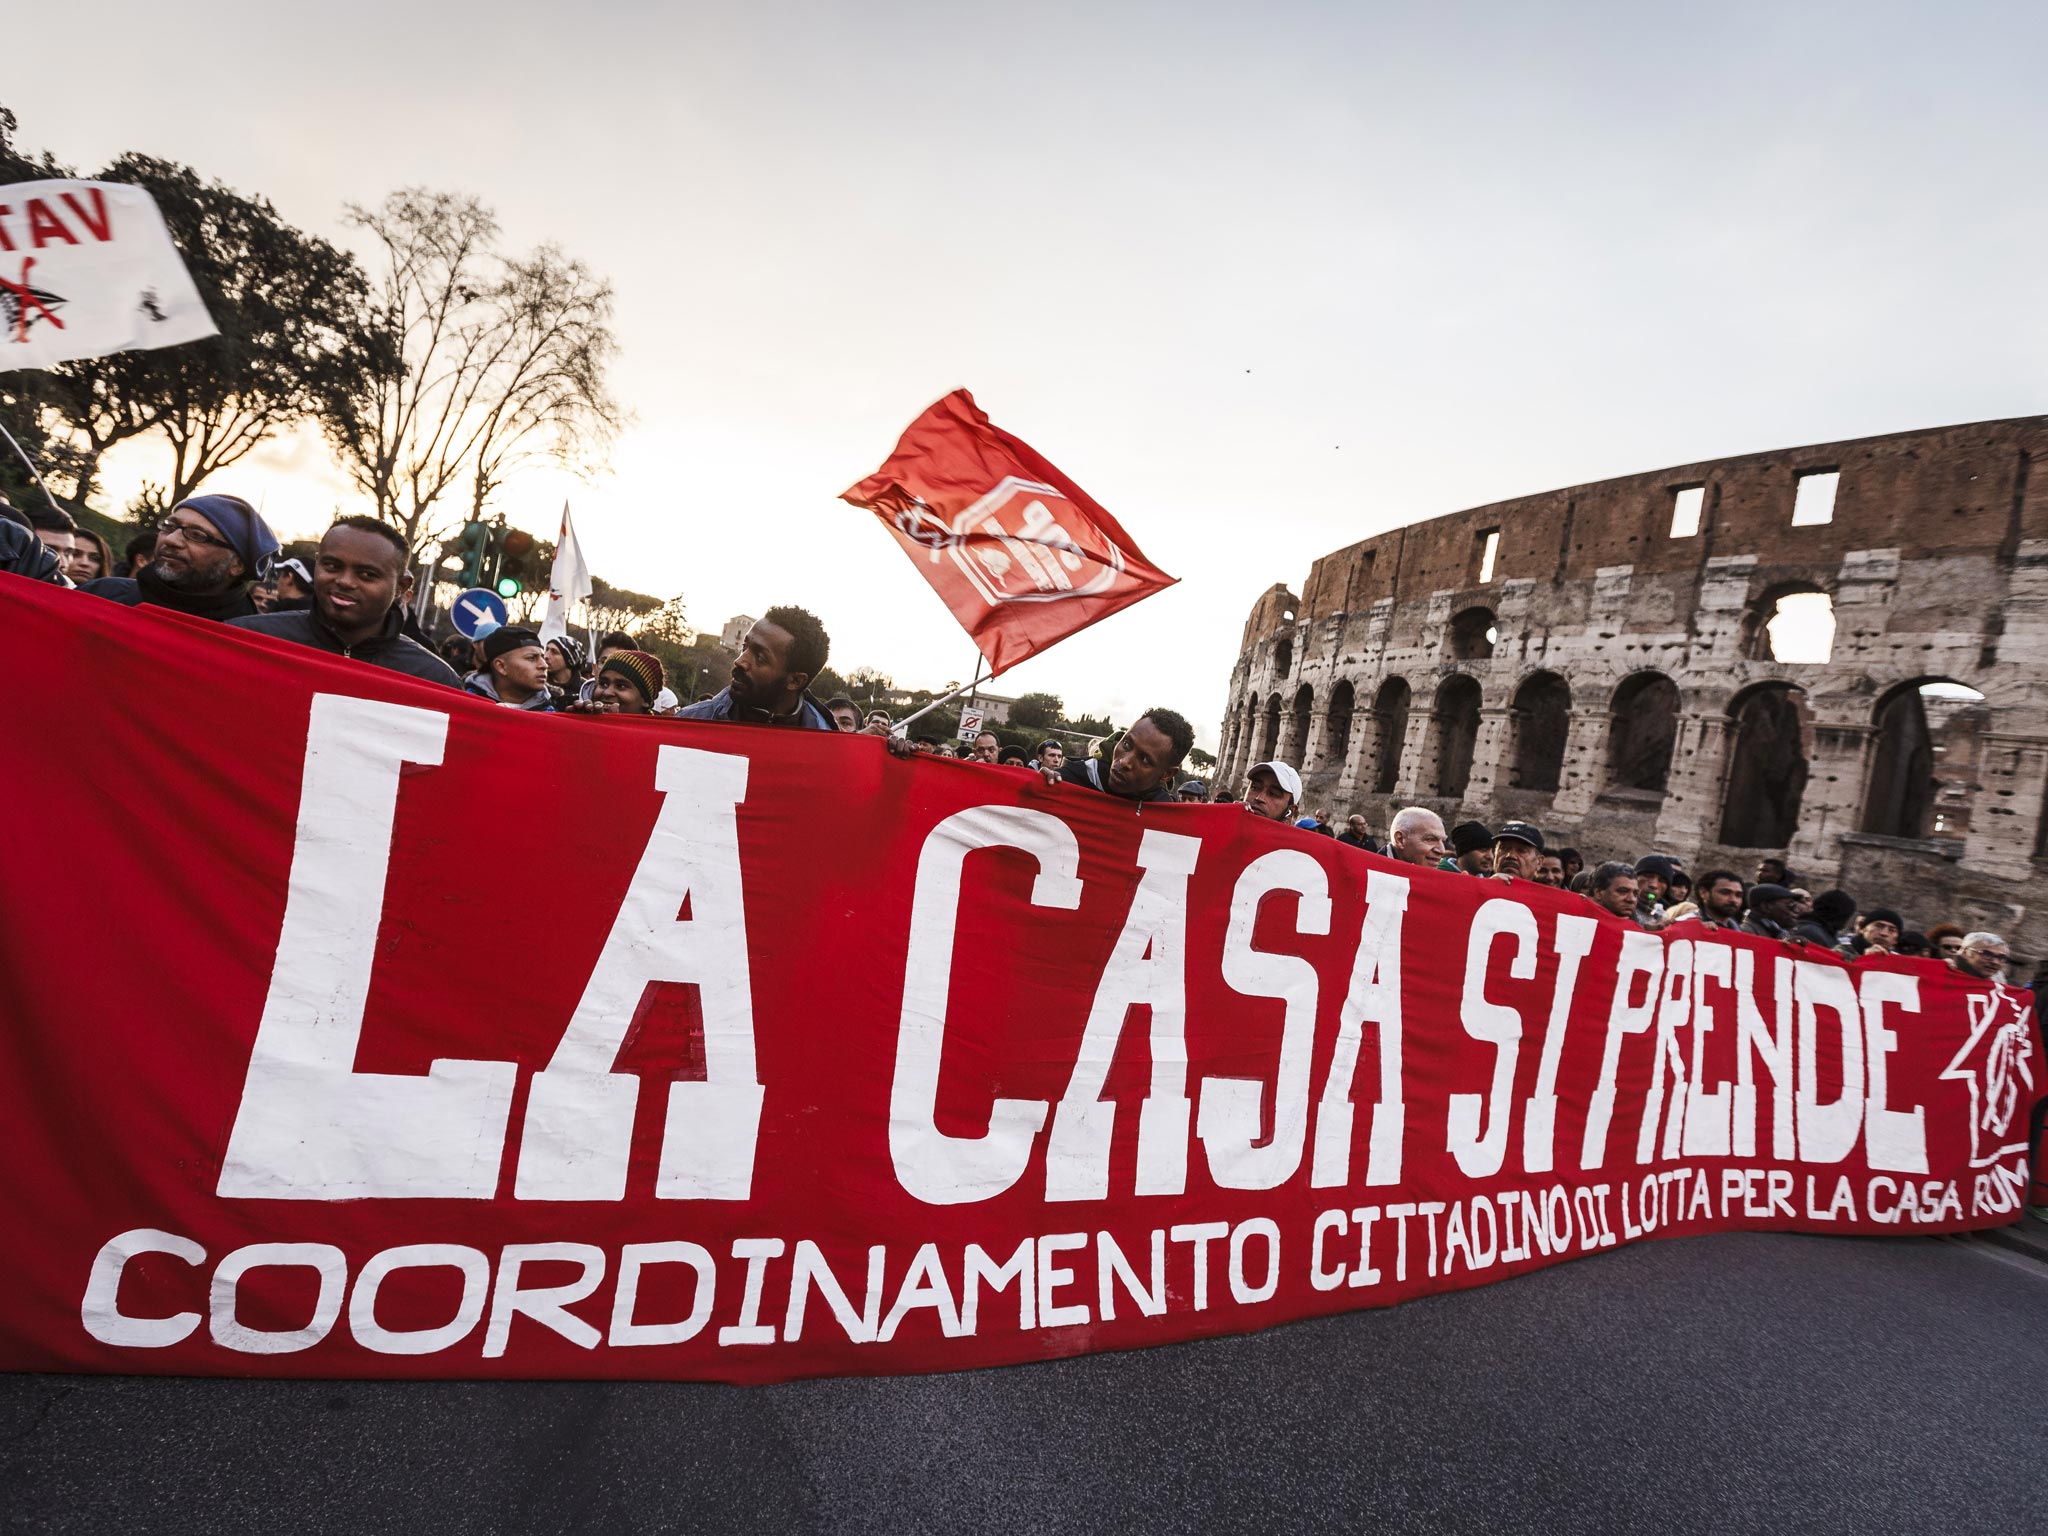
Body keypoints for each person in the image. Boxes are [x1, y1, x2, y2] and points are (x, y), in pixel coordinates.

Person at [227, 517, 461, 685]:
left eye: (367, 574)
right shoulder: (246, 640)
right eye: (332, 566)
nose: (345, 581)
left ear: (401, 587)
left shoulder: (431, 678)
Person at [84, 494, 279, 622]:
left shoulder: (248, 638)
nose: (170, 540)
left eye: (197, 535)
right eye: (169, 526)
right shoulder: (102, 593)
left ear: (237, 564)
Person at [676, 606, 836, 729]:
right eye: (744, 647)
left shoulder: (827, 749)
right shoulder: (689, 723)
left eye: (760, 658)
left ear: (795, 680)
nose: (739, 661)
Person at [1045, 710, 1194, 803]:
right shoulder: (1070, 778)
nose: (1124, 762)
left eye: (1145, 759)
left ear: (1166, 774)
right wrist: (1037, 784)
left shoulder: (1164, 817)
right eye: (1127, 745)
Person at [465, 625, 555, 709]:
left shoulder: (557, 708)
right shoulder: (466, 708)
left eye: (542, 657)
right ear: (501, 666)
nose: (544, 665)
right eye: (531, 658)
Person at [579, 649, 665, 714]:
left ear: (645, 700)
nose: (607, 692)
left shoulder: (659, 736)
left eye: (621, 686)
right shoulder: (588, 721)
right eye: (603, 684)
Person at [1633, 855, 1676, 927]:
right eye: (1648, 876)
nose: (1654, 885)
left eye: (1661, 881)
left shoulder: (1666, 918)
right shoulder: (1619, 908)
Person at [545, 635, 589, 705]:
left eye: (554, 652)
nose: (546, 656)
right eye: (547, 650)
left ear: (569, 659)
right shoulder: (539, 683)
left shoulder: (586, 688)